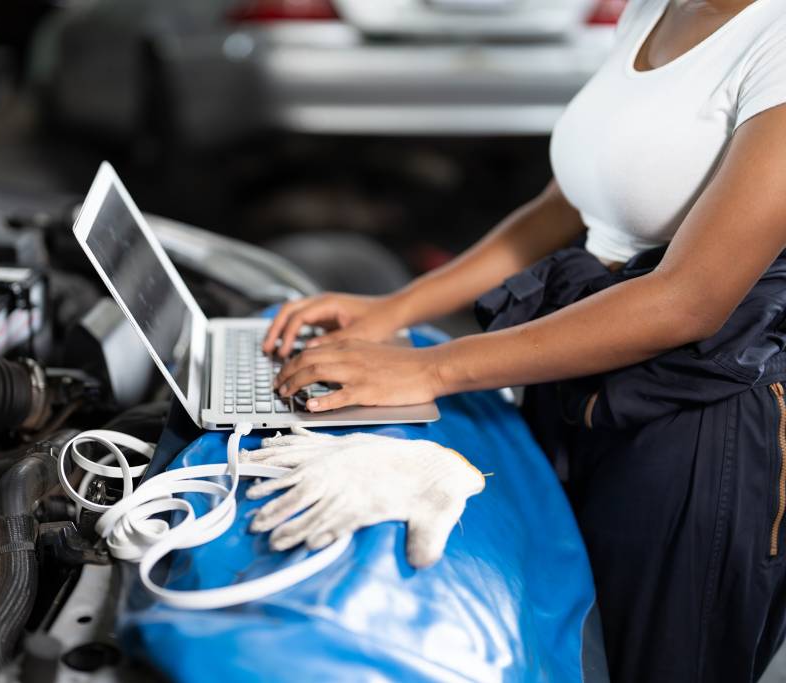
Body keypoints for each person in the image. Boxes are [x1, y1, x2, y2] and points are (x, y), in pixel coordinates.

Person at [260, 1, 786, 682]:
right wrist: (393, 309)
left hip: (698, 415)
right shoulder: (656, 8)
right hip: (584, 369)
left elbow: (692, 298)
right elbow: (567, 204)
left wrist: (430, 369)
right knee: (568, 644)